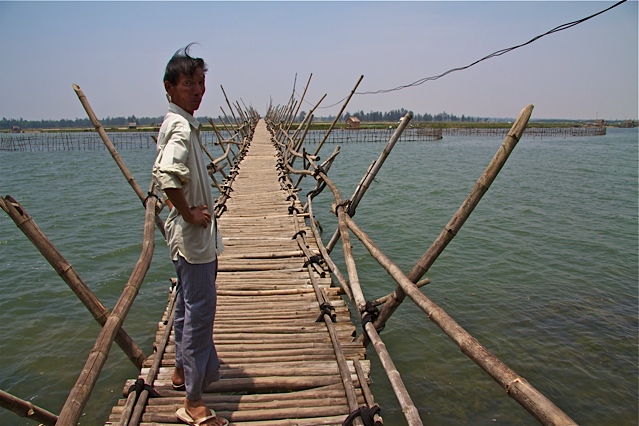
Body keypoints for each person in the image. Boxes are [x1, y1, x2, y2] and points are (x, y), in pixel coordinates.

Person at [152, 44, 227, 426]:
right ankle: (193, 402)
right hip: (195, 242)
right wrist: (189, 212)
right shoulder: (181, 126)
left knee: (184, 307)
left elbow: (165, 170)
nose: (197, 91)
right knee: (200, 315)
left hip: (184, 241)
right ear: (170, 87)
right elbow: (167, 176)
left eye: (200, 83)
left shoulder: (174, 122)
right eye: (188, 84)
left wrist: (183, 213)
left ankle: (182, 370)